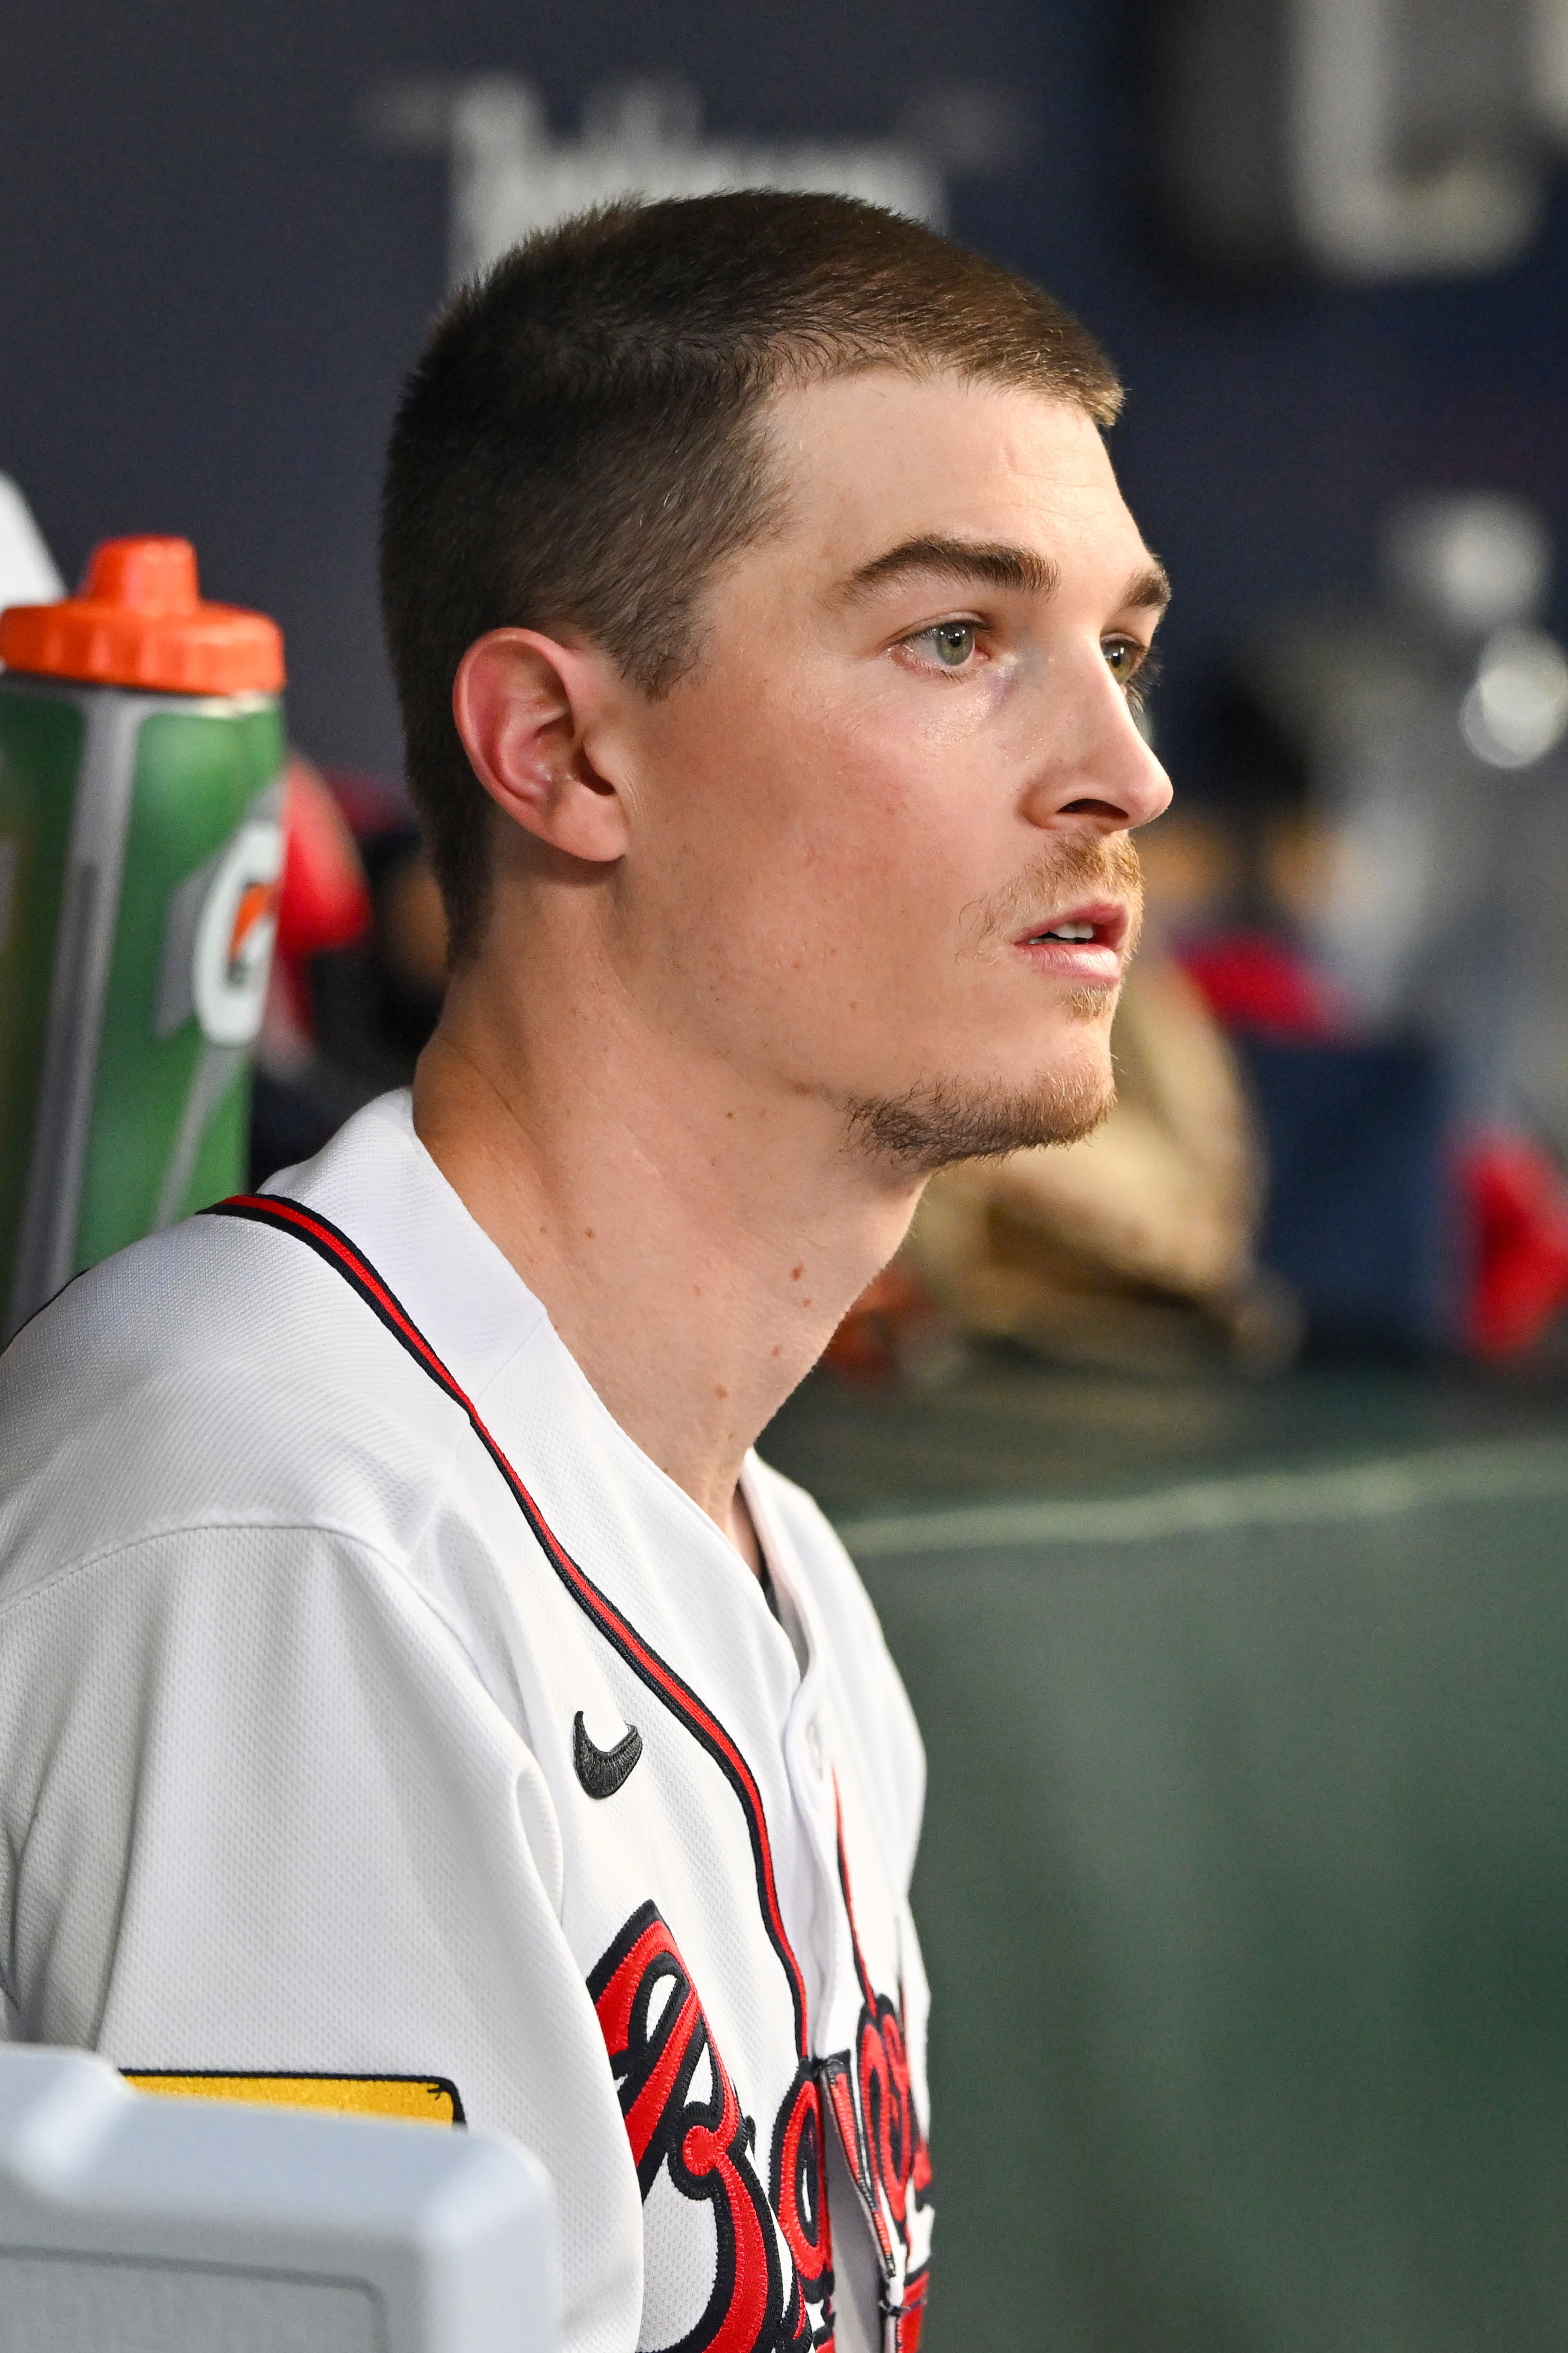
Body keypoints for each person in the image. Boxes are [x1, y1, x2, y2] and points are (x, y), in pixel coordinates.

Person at [0, 193, 1170, 2353]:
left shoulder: (777, 1562)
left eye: (1124, 646)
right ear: (560, 749)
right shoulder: (281, 1523)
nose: (1126, 774)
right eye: (955, 638)